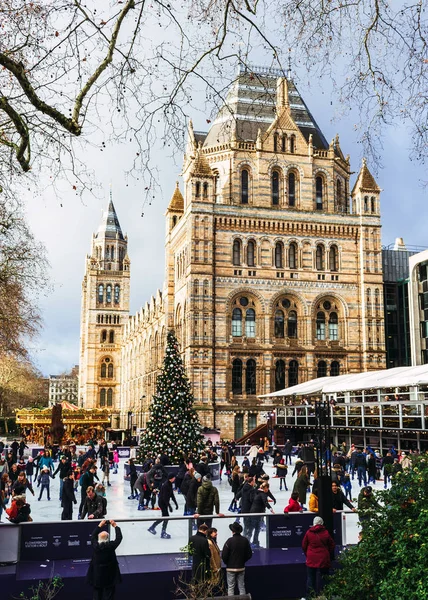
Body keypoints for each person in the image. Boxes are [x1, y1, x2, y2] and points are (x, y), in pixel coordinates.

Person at [86, 519, 122, 600]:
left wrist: (100, 525)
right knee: (109, 595)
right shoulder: (111, 546)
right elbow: (119, 538)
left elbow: (92, 536)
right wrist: (115, 526)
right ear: (108, 539)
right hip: (110, 576)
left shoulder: (96, 546)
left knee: (97, 594)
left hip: (97, 575)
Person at [302, 516, 335, 597]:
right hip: (323, 558)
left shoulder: (309, 532)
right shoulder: (326, 533)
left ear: (314, 523)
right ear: (322, 523)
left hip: (311, 558)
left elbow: (304, 545)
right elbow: (332, 545)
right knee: (325, 577)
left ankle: (310, 596)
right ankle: (326, 595)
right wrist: (328, 553)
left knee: (311, 577)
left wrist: (308, 554)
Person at [222, 521, 253, 597]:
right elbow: (249, 554)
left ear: (232, 531)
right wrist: (242, 561)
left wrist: (227, 563)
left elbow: (224, 555)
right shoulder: (245, 540)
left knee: (231, 587)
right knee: (242, 586)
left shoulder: (229, 541)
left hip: (230, 568)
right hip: (241, 567)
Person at [148, 473, 179, 538]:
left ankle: (155, 528)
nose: (175, 479)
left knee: (165, 517)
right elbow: (165, 497)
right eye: (174, 477)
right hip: (162, 502)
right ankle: (161, 531)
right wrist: (169, 506)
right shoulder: (166, 485)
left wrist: (176, 503)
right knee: (166, 517)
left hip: (164, 502)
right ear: (171, 478)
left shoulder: (170, 484)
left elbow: (172, 495)